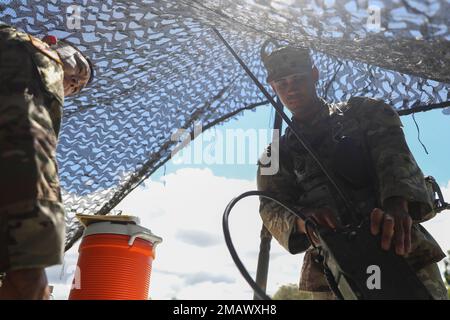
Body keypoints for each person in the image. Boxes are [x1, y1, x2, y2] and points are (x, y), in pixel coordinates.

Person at [257, 44, 448, 300]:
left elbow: (393, 157)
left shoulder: (366, 112)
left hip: (398, 245)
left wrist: (396, 203)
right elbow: (271, 207)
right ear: (273, 87)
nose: (291, 89)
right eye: (282, 83)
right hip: (333, 269)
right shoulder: (274, 155)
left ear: (314, 75)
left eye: (298, 79)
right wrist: (303, 221)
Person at [0, 24, 93, 299]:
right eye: (80, 70)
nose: (74, 83)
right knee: (28, 266)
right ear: (52, 42)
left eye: (77, 87)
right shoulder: (37, 55)